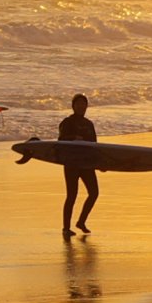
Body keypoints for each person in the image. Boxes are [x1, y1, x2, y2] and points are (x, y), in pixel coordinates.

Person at [59, 93, 99, 239]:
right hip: (72, 163)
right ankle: (66, 228)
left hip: (87, 163)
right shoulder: (67, 122)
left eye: (84, 104)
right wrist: (73, 138)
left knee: (94, 193)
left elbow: (95, 146)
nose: (81, 106)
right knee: (71, 195)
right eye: (79, 104)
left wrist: (101, 163)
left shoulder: (89, 125)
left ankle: (81, 222)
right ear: (73, 106)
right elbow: (60, 140)